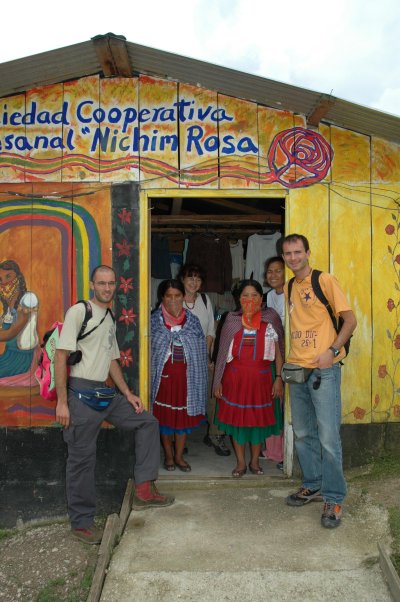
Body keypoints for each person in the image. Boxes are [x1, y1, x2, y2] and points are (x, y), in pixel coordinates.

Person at [55, 265, 174, 545]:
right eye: (101, 283)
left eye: (111, 284)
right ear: (92, 285)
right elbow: (61, 357)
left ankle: (144, 490)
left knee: (147, 421)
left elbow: (111, 360)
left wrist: (128, 393)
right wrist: (63, 402)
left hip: (104, 393)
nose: (107, 288)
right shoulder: (79, 312)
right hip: (81, 395)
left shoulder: (109, 317)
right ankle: (82, 524)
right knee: (82, 461)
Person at [282, 234, 357, 529]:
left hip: (324, 370)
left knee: (328, 438)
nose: (293, 258)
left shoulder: (324, 280)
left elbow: (350, 320)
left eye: (297, 252)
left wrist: (333, 351)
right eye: (288, 253)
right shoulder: (290, 285)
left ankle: (334, 497)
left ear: (307, 253)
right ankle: (312, 484)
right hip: (297, 370)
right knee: (302, 433)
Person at [213, 279, 284, 477]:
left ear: (261, 298)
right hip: (235, 381)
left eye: (254, 295)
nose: (250, 299)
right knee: (238, 424)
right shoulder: (231, 320)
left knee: (257, 424)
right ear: (239, 298)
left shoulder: (271, 319)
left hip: (262, 381)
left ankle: (254, 462)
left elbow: (279, 352)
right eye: (245, 295)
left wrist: (278, 377)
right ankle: (241, 463)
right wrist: (218, 380)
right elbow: (222, 355)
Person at [151, 279, 208, 472]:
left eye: (177, 296)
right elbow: (151, 353)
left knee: (182, 420)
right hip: (163, 381)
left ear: (183, 297)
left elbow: (199, 352)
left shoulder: (193, 322)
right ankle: (168, 455)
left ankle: (178, 455)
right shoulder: (154, 322)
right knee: (165, 420)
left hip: (187, 380)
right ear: (162, 298)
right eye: (169, 296)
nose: (173, 300)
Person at [178, 262, 230, 457]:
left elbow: (210, 331)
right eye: (190, 277)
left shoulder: (205, 300)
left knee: (214, 394)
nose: (194, 282)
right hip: (178, 359)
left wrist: (207, 356)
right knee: (180, 398)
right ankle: (178, 439)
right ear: (182, 279)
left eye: (198, 279)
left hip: (201, 358)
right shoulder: (174, 298)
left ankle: (216, 435)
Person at [261, 256, 286, 469]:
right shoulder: (269, 296)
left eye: (278, 271)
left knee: (289, 404)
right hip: (276, 352)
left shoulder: (293, 293)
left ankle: (286, 453)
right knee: (274, 402)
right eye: (270, 271)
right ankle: (274, 451)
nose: (273, 275)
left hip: (294, 353)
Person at [0, 260, 40, 386]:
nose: (5, 282)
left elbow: (11, 333)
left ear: (18, 277)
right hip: (8, 355)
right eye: (0, 279)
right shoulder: (8, 304)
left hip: (22, 358)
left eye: (8, 276)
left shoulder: (28, 299)